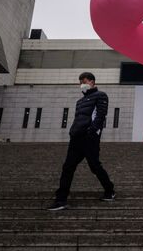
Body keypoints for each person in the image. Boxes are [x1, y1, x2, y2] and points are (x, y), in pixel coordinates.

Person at [47, 72, 115, 211]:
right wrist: (72, 132)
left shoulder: (101, 95)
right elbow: (79, 119)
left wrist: (92, 132)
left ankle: (110, 190)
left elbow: (101, 116)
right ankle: (61, 199)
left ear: (92, 82)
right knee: (67, 167)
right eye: (79, 82)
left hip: (89, 138)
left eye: (83, 81)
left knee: (94, 166)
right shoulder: (80, 101)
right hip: (76, 138)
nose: (81, 84)